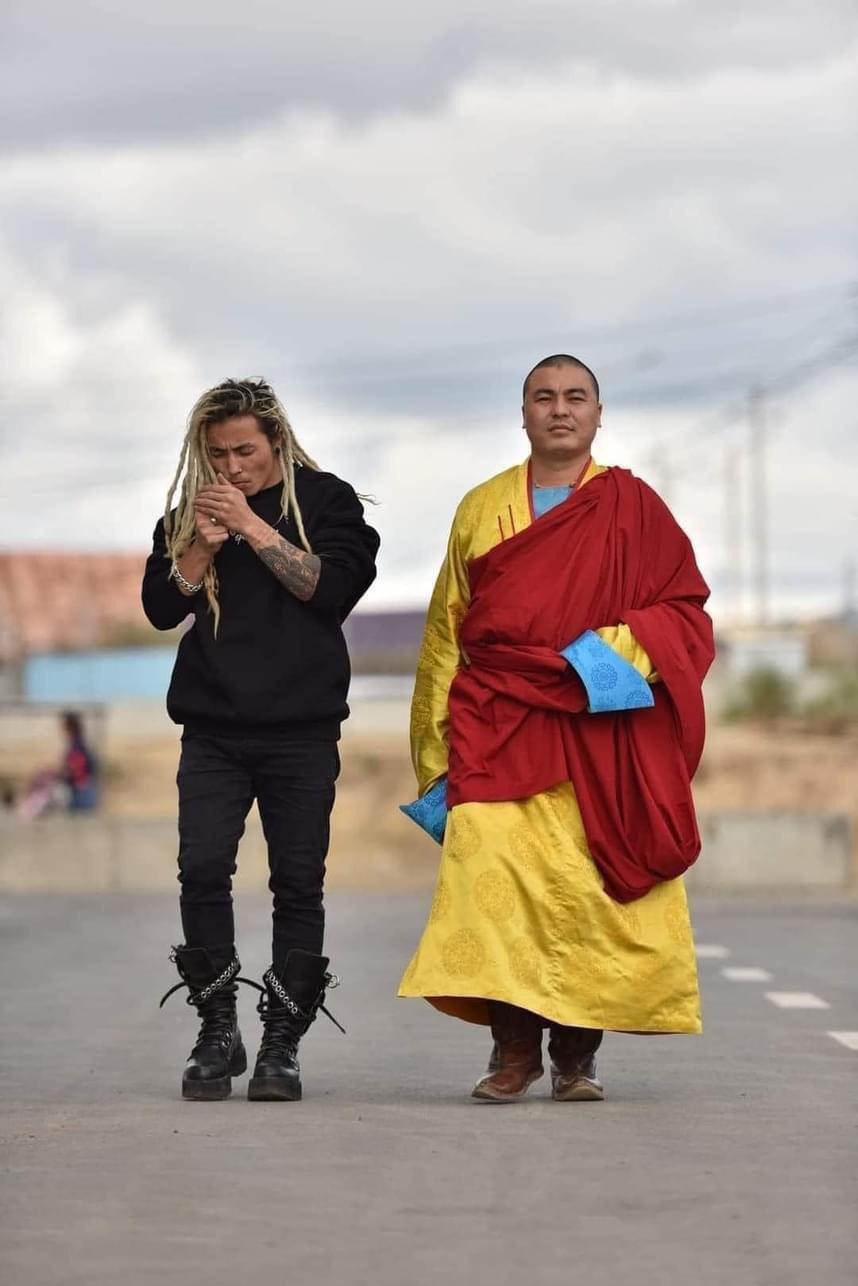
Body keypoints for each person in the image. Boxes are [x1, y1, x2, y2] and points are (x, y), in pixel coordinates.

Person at [399, 354, 714, 1102]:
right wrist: (436, 752)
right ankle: (514, 1053)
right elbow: (447, 631)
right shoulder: (482, 508)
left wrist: (599, 661)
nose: (560, 409)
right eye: (544, 397)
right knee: (494, 888)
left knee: (587, 888)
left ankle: (576, 1056)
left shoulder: (634, 508)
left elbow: (683, 613)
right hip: (499, 724)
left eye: (576, 397)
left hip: (599, 731)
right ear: (524, 414)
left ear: (599, 415)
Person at [142, 377, 379, 1102]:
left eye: (245, 451)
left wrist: (251, 527)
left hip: (302, 731)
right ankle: (218, 1032)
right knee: (203, 869)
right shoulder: (191, 514)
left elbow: (330, 592)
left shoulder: (328, 502)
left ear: (276, 440)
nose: (232, 468)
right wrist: (199, 553)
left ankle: (282, 1042)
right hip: (212, 729)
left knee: (298, 882)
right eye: (217, 455)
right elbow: (157, 608)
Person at [61, 711, 100, 812]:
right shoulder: (78, 744)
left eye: (65, 727)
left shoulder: (78, 745)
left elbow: (78, 766)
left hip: (81, 789)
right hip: (79, 788)